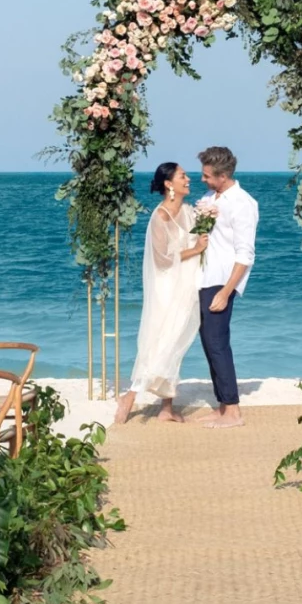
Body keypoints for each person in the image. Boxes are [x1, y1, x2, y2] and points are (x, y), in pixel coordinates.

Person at [114, 161, 210, 424]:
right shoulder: (161, 217)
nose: (188, 179)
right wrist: (197, 249)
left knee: (176, 343)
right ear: (169, 184)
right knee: (161, 342)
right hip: (168, 287)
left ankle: (166, 407)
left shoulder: (190, 211)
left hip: (188, 283)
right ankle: (130, 396)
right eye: (182, 176)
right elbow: (163, 259)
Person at [194, 145, 258, 428]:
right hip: (201, 277)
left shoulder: (243, 203)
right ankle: (222, 405)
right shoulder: (209, 197)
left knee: (218, 343)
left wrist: (226, 290)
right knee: (208, 343)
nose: (203, 179)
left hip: (220, 281)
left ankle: (233, 410)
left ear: (222, 175)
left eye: (207, 175)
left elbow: (245, 254)